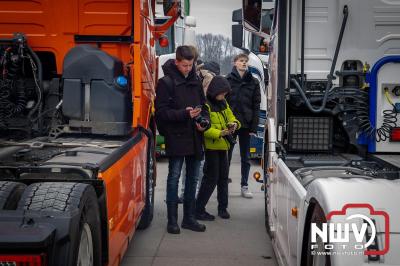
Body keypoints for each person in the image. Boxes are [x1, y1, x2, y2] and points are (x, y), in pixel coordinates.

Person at [155, 45, 210, 234]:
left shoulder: (196, 80)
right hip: (176, 137)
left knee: (193, 179)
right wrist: (184, 114)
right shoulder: (165, 82)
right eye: (185, 65)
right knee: (174, 178)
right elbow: (160, 114)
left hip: (195, 137)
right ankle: (172, 221)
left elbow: (204, 107)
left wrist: (204, 123)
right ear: (177, 62)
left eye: (191, 64)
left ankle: (189, 218)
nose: (188, 68)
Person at [196, 76, 240, 220]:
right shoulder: (205, 105)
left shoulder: (223, 103)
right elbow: (205, 128)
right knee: (211, 179)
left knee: (223, 179)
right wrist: (221, 133)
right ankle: (199, 209)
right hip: (212, 147)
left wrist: (234, 124)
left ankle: (222, 208)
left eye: (225, 94)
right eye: (222, 93)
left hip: (223, 146)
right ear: (215, 90)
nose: (223, 96)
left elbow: (232, 117)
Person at [226, 53, 261, 198]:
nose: (244, 63)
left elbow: (256, 105)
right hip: (231, 123)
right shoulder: (227, 80)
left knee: (245, 157)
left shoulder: (253, 82)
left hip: (246, 123)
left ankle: (244, 185)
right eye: (241, 61)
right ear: (235, 63)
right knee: (226, 155)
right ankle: (224, 183)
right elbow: (223, 103)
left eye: (246, 61)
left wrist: (254, 127)